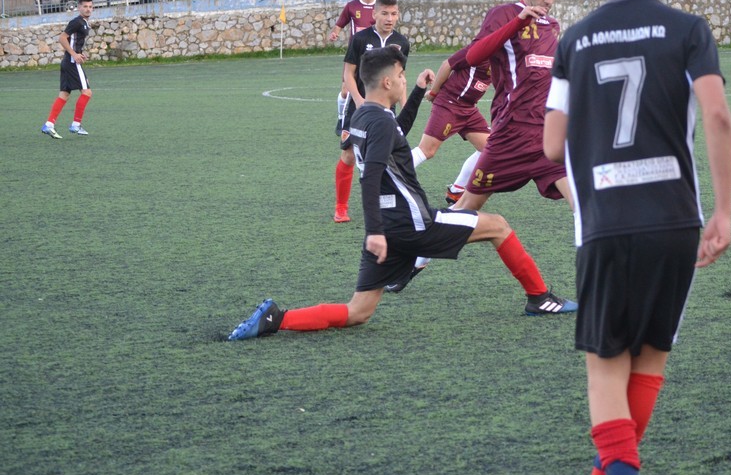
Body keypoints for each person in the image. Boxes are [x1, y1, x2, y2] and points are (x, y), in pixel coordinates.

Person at [543, 0, 731, 475]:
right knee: (648, 361)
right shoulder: (689, 30)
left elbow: (550, 144)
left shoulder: (573, 41)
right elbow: (718, 116)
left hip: (604, 221)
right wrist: (724, 210)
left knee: (606, 370)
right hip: (676, 219)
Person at [227, 46, 576, 341]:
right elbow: (371, 176)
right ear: (387, 82)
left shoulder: (365, 115)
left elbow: (397, 132)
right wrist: (374, 232)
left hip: (391, 226)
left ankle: (277, 319)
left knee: (358, 312)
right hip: (410, 223)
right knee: (498, 225)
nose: (405, 79)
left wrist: (419, 93)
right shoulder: (379, 121)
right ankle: (539, 298)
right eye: (402, 75)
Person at [449, 0, 573, 217]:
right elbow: (473, 56)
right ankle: (421, 242)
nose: (549, 0)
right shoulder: (503, 15)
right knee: (466, 208)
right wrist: (518, 21)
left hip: (545, 133)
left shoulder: (552, 25)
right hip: (511, 132)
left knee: (583, 204)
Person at [335, 0, 410, 223]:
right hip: (357, 107)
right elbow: (348, 73)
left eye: (393, 13)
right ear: (374, 13)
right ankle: (341, 207)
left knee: (385, 156)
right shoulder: (360, 39)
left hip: (386, 110)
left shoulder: (402, 43)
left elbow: (400, 77)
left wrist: (405, 106)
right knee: (349, 154)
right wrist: (359, 100)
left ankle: (388, 206)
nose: (389, 18)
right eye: (384, 13)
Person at [410, 46, 492, 204]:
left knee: (489, 148)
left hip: (468, 109)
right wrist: (434, 92)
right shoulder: (480, 48)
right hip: (449, 103)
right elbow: (447, 64)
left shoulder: (505, 56)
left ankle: (457, 191)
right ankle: (386, 177)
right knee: (427, 150)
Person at [329, 0, 378, 136]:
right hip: (354, 55)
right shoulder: (352, 6)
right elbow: (339, 25)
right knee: (345, 90)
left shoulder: (379, 8)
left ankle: (372, 122)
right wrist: (335, 33)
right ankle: (341, 118)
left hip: (374, 56)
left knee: (375, 89)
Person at [41, 0, 95, 138]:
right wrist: (74, 54)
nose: (88, 9)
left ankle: (49, 125)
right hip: (72, 63)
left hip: (68, 62)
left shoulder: (84, 23)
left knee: (64, 95)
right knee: (87, 92)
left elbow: (74, 42)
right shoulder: (77, 22)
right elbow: (62, 38)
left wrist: (80, 53)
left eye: (90, 7)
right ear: (79, 7)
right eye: (85, 6)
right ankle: (76, 125)